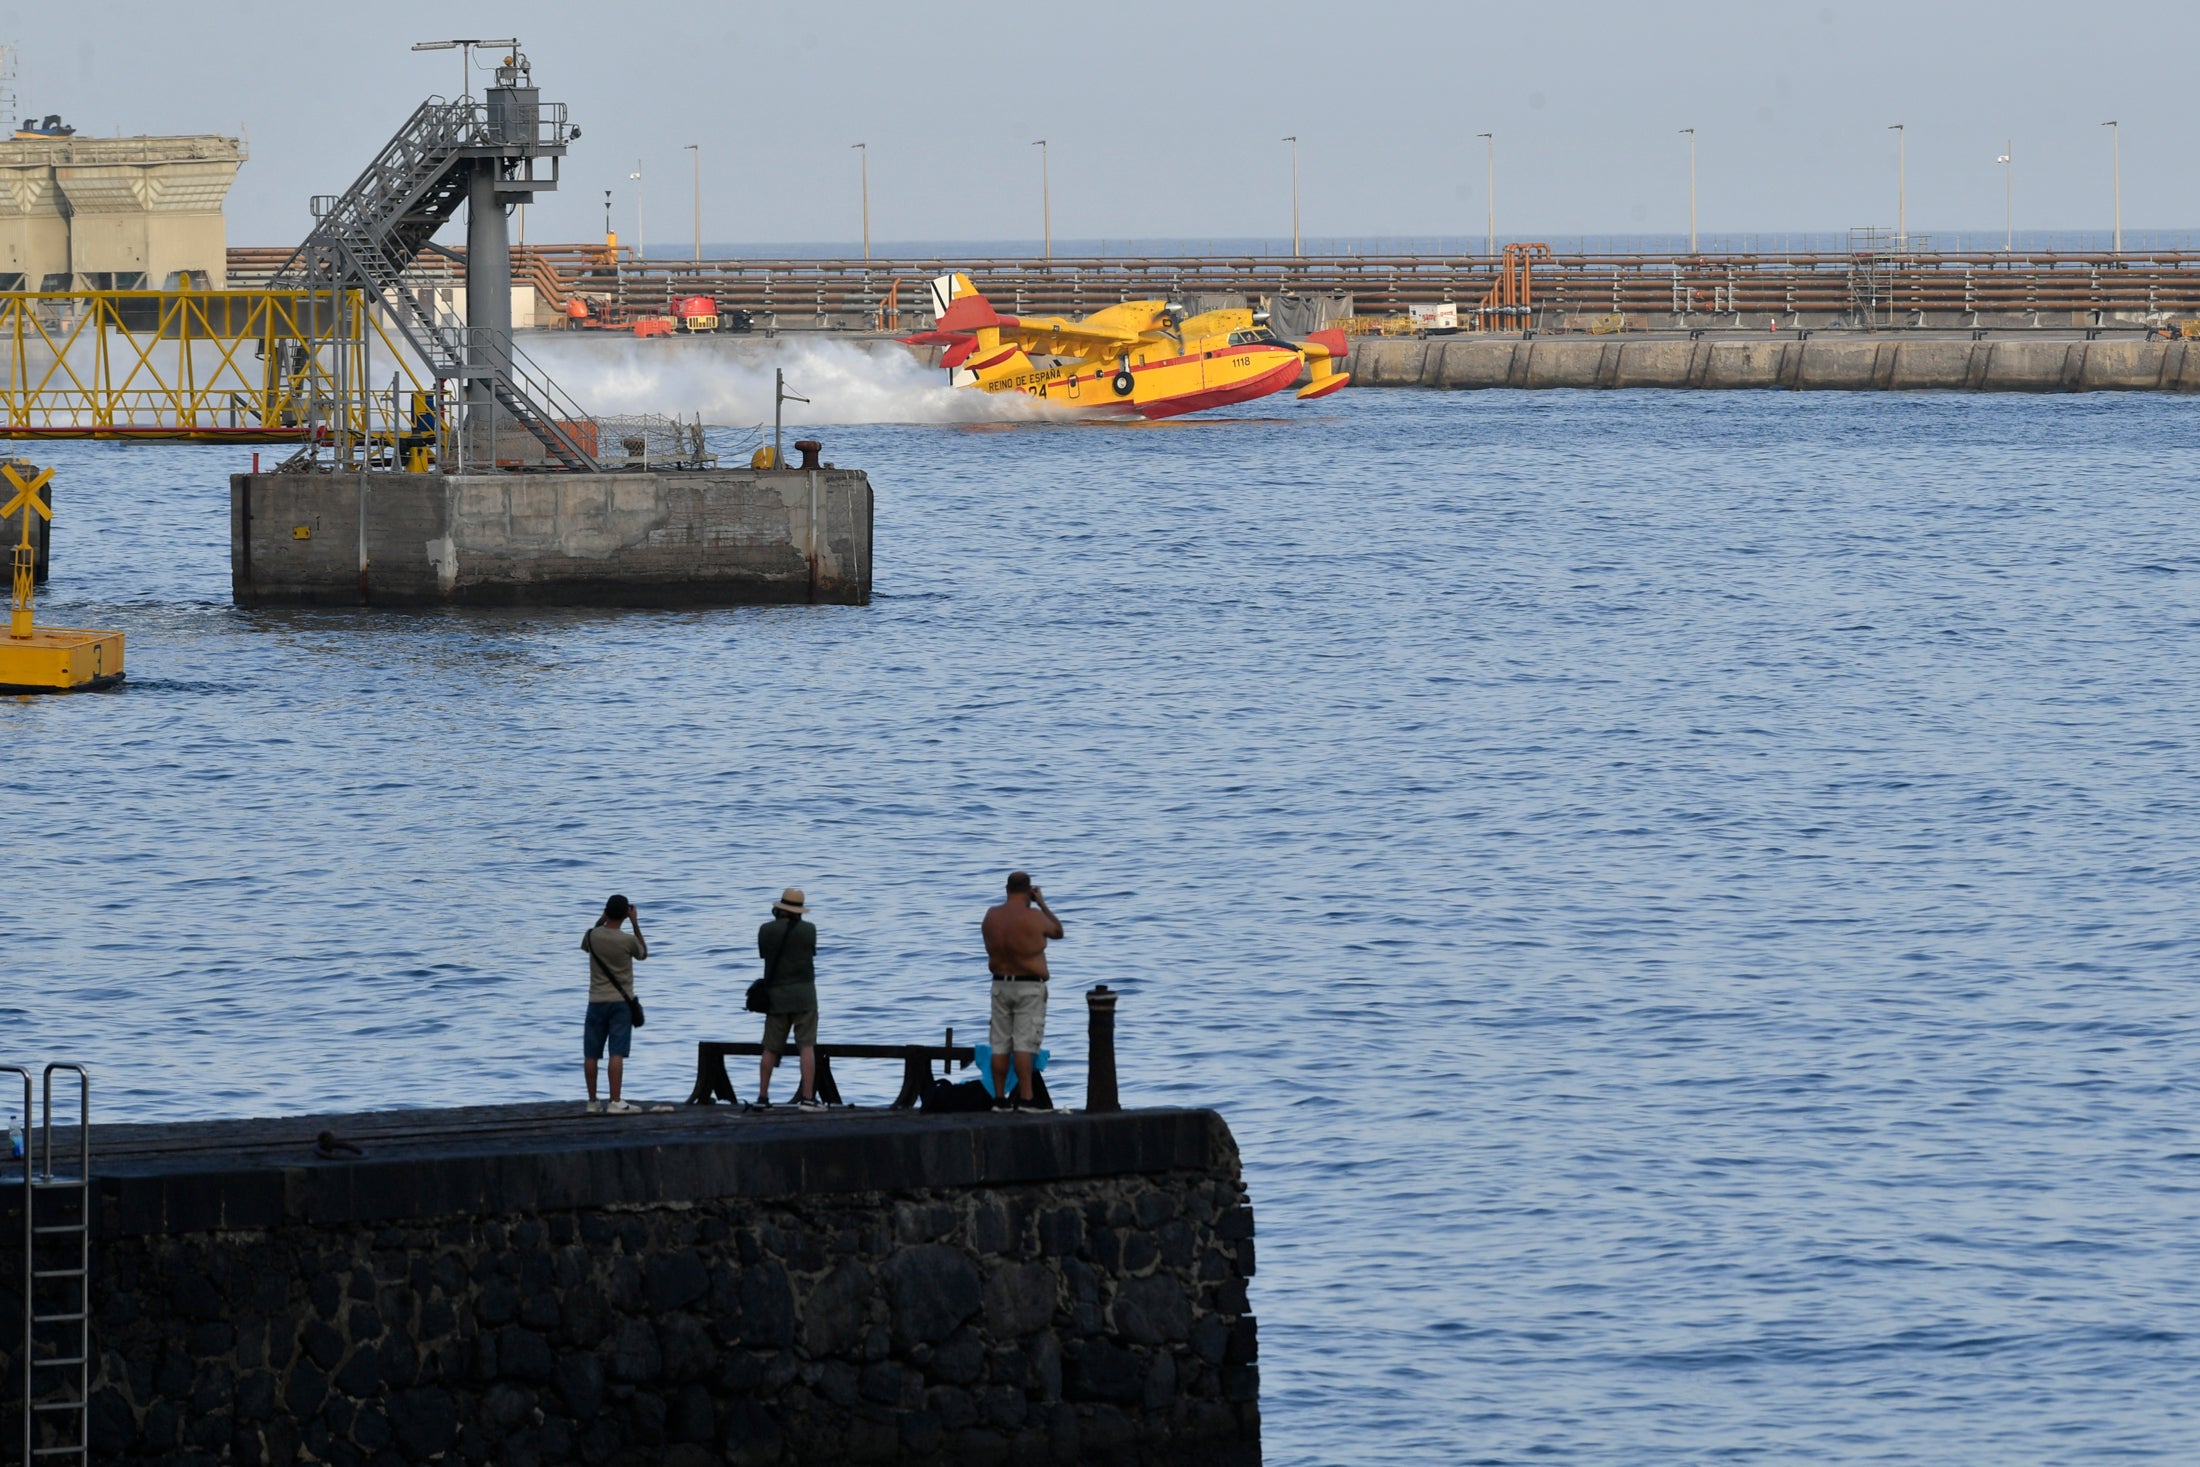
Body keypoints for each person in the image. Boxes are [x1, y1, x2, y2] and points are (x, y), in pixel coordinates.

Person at [982, 871, 1064, 1109]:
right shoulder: (1035, 917)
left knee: (999, 1044)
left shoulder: (991, 916)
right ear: (1029, 891)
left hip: (999, 984)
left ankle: (999, 1099)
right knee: (1024, 1044)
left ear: (1006, 890)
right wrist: (1041, 903)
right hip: (1028, 986)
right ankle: (1027, 1098)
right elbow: (1058, 932)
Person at [755, 887, 822, 1109]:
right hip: (804, 996)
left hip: (776, 996)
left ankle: (763, 1097)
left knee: (770, 1048)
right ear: (799, 911)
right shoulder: (809, 930)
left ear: (779, 909)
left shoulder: (765, 930)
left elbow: (765, 955)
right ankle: (808, 1098)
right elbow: (809, 954)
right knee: (806, 1046)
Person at [582, 895, 646, 1115]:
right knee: (616, 1053)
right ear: (625, 914)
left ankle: (592, 1102)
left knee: (591, 1054)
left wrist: (601, 920)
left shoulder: (591, 935)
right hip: (621, 1003)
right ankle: (615, 1101)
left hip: (596, 1001)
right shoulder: (627, 940)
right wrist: (635, 923)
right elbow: (643, 954)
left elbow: (585, 945)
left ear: (606, 911)